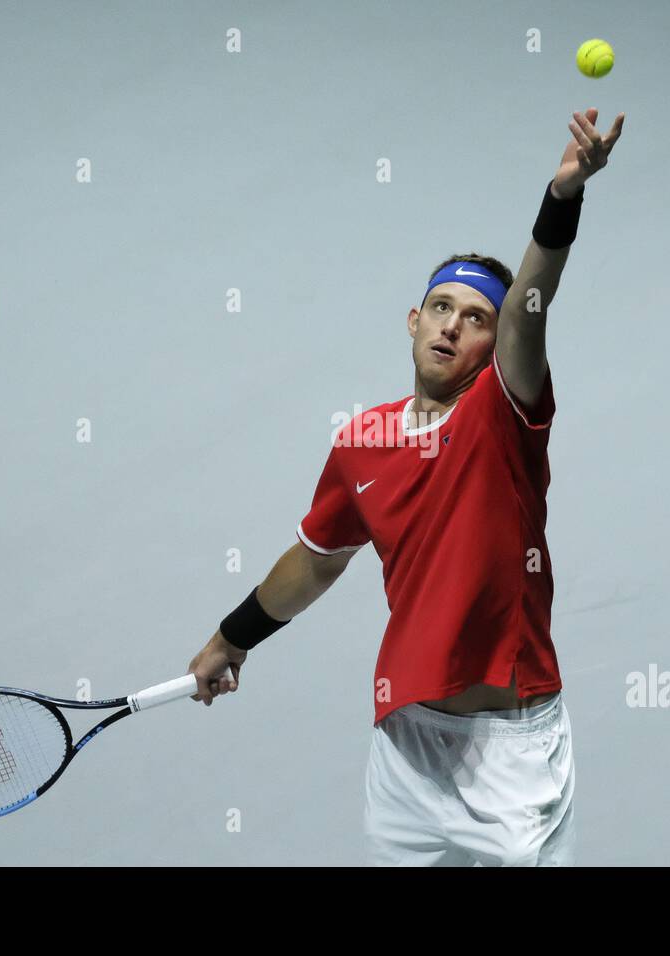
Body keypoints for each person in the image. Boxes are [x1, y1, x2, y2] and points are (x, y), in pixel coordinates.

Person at [188, 108, 625, 866]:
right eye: (443, 309)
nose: (453, 328)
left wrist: (564, 196)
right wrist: (233, 639)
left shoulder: (502, 414)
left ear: (495, 347)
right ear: (414, 319)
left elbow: (531, 308)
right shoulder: (363, 439)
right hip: (407, 748)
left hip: (512, 756)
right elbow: (318, 559)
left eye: (477, 320)